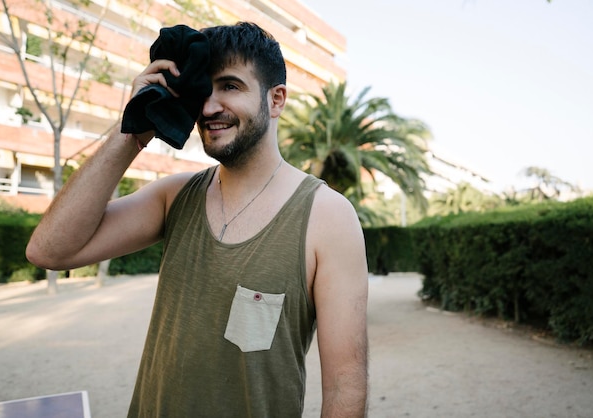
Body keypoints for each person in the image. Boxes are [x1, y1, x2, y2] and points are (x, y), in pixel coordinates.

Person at [26, 22, 368, 418]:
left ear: (276, 100)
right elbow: (48, 250)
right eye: (202, 90)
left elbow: (346, 385)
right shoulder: (173, 197)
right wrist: (133, 132)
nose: (208, 107)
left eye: (230, 86)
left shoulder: (327, 216)